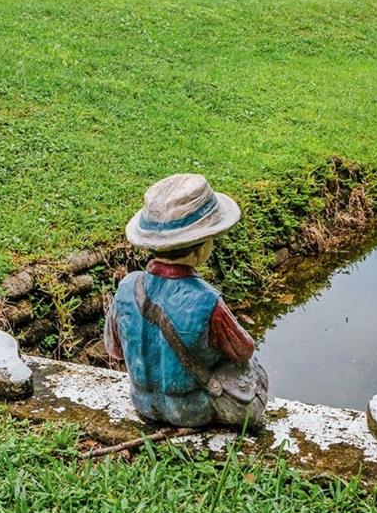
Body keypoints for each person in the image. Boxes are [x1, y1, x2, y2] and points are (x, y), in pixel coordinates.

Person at [104, 174, 270, 430]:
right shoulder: (206, 299)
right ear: (201, 246)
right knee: (253, 369)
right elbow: (243, 350)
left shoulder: (127, 286)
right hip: (193, 409)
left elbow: (114, 350)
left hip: (143, 403)